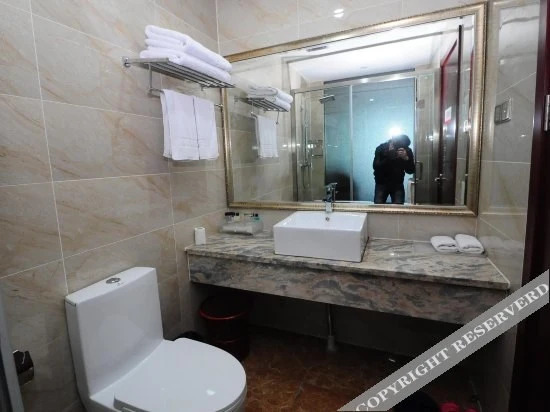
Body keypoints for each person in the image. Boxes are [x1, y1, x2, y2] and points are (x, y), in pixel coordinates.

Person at [373, 134, 415, 204]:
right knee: (378, 207)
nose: (401, 148)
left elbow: (411, 171)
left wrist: (406, 158)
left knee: (399, 208)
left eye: (405, 147)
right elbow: (376, 167)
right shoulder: (381, 148)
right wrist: (389, 156)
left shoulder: (407, 151)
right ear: (392, 142)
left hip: (397, 184)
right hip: (381, 183)